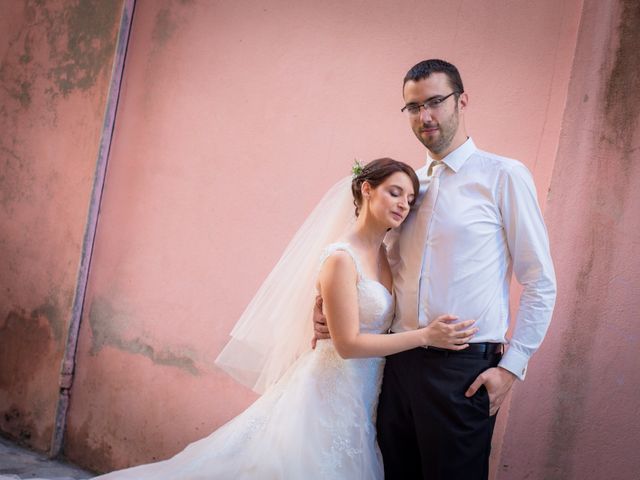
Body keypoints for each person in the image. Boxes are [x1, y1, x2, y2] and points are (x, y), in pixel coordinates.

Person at [92, 158, 478, 479]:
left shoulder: (386, 257)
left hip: (365, 398)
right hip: (327, 391)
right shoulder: (341, 258)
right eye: (395, 192)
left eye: (410, 199)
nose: (403, 205)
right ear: (366, 190)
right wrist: (426, 336)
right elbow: (347, 344)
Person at [313, 59, 557, 479]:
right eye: (413, 107)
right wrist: (329, 307)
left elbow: (540, 281)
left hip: (462, 371)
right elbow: (371, 259)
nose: (424, 116)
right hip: (395, 366)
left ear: (461, 100)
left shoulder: (503, 176)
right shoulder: (408, 187)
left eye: (435, 102)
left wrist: (511, 367)